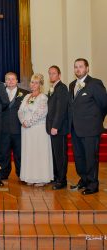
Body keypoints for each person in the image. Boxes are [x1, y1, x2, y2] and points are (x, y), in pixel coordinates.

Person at [69, 58, 107, 195]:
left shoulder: (95, 83)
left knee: (91, 157)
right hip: (75, 129)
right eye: (75, 67)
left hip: (90, 129)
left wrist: (96, 121)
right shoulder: (72, 85)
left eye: (80, 66)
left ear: (87, 68)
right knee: (79, 157)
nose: (78, 69)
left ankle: (92, 185)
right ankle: (84, 179)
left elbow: (104, 104)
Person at [18, 73, 53, 186]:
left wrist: (29, 123)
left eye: (36, 82)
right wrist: (23, 121)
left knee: (39, 153)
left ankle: (41, 178)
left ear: (40, 85)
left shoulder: (43, 97)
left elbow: (41, 113)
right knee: (29, 153)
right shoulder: (27, 97)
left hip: (38, 130)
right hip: (26, 130)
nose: (33, 84)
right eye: (32, 82)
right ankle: (30, 177)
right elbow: (20, 111)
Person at [0, 72, 29, 179]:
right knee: (3, 153)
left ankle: (21, 174)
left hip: (19, 129)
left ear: (17, 81)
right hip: (3, 129)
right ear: (5, 81)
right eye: (8, 79)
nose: (10, 81)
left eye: (13, 79)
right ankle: (4, 173)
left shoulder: (25, 94)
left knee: (19, 154)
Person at [46, 66, 69, 190]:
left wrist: (55, 126)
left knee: (61, 155)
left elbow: (61, 110)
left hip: (58, 129)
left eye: (53, 73)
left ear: (59, 75)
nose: (51, 76)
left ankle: (62, 180)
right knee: (55, 154)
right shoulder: (53, 88)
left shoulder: (62, 88)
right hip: (52, 128)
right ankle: (56, 177)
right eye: (49, 73)